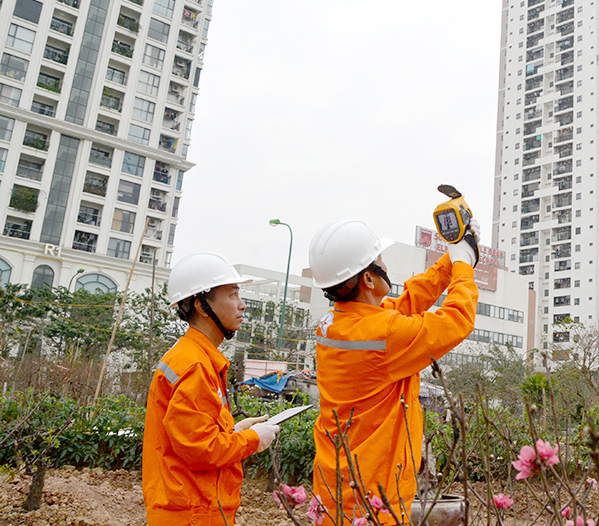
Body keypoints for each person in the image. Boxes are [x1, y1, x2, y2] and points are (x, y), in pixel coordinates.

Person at [309, 217, 480, 524]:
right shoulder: (380, 334)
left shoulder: (342, 323)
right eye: (379, 262)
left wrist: (452, 255)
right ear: (369, 280)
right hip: (373, 496)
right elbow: (456, 321)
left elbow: (407, 304)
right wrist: (464, 267)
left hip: (337, 485)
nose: (385, 265)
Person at [143, 252, 280, 526]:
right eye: (232, 295)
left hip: (190, 507)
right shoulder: (195, 365)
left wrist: (236, 432)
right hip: (193, 513)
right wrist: (253, 439)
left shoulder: (195, 357)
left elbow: (194, 434)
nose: (241, 306)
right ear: (203, 306)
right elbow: (201, 449)